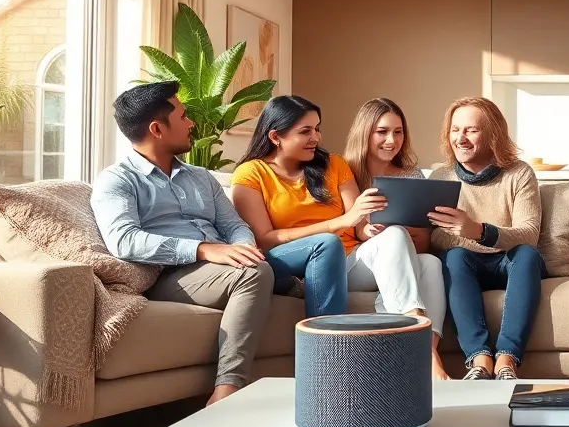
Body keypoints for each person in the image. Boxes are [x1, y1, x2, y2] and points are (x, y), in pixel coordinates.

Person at [230, 96, 449, 379]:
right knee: (330, 242)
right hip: (303, 264)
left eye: (317, 129)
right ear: (275, 137)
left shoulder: (334, 164)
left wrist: (368, 230)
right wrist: (340, 223)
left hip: (349, 260)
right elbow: (265, 240)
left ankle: (423, 347)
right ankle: (419, 349)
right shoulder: (251, 174)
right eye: (305, 131)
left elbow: (357, 225)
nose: (316, 138)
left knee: (427, 260)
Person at [91, 81, 273, 407]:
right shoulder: (117, 180)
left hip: (221, 265)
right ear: (157, 129)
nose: (191, 123)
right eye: (184, 116)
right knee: (255, 273)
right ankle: (227, 390)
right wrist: (203, 249)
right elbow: (124, 240)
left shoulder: (201, 177)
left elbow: (234, 225)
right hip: (172, 275)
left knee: (291, 265)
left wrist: (245, 249)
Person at [428, 96, 546, 381]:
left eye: (471, 130)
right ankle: (480, 361)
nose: (460, 138)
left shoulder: (519, 173)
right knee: (454, 257)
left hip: (512, 261)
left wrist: (479, 231)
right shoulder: (441, 176)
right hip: (467, 264)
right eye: (455, 130)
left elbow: (529, 233)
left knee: (527, 254)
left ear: (493, 134)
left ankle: (507, 360)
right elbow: (435, 236)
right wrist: (468, 239)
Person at [343, 97, 448, 379]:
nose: (392, 140)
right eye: (382, 132)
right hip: (353, 263)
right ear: (365, 132)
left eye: (398, 132)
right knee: (394, 234)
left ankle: (428, 353)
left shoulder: (412, 175)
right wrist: (369, 231)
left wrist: (406, 235)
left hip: (400, 255)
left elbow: (424, 239)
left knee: (431, 263)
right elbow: (349, 225)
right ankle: (422, 346)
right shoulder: (343, 171)